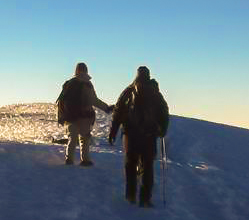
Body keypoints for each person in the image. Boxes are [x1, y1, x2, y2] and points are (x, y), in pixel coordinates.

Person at [108, 66, 169, 206]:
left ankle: (130, 196)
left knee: (130, 164)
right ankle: (145, 199)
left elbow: (118, 111)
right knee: (147, 166)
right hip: (149, 135)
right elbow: (164, 112)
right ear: (148, 76)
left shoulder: (129, 90)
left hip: (131, 134)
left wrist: (113, 131)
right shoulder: (155, 93)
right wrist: (162, 130)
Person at [57, 62, 112, 166]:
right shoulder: (87, 84)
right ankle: (85, 160)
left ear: (76, 71)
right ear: (86, 70)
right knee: (84, 139)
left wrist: (62, 116)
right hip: (84, 116)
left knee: (72, 139)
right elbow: (93, 100)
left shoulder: (69, 83)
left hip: (70, 117)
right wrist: (106, 108)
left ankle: (69, 159)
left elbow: (62, 101)